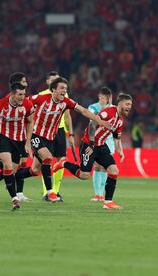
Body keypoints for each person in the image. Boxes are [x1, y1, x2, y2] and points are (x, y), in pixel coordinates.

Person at [15, 77, 109, 202]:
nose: (64, 90)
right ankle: (50, 193)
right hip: (36, 135)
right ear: (53, 89)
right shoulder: (41, 98)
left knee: (35, 170)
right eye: (62, 88)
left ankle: (12, 176)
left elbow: (84, 111)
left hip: (50, 138)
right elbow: (22, 101)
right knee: (48, 158)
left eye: (66, 88)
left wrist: (99, 120)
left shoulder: (66, 102)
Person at [53, 93, 132, 209]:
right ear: (120, 104)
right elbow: (92, 124)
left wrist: (120, 150)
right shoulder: (108, 112)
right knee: (84, 175)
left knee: (114, 171)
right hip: (88, 144)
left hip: (101, 146)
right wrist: (90, 143)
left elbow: (116, 136)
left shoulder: (120, 120)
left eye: (131, 104)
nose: (130, 107)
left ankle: (108, 202)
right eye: (127, 104)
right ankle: (64, 163)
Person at [0, 72, 32, 201]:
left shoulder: (27, 104)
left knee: (14, 168)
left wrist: (28, 142)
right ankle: (15, 196)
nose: (22, 96)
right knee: (9, 166)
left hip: (20, 138)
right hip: (4, 136)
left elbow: (30, 120)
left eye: (24, 94)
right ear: (14, 91)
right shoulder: (2, 103)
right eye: (24, 82)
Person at [38, 71, 74, 202]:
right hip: (45, 132)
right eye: (53, 80)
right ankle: (46, 192)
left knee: (61, 160)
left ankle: (56, 191)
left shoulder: (65, 95)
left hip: (59, 131)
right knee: (46, 161)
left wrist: (70, 133)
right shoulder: (41, 96)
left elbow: (67, 115)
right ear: (48, 82)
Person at [87, 87, 114, 202]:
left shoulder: (112, 108)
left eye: (107, 98)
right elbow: (93, 120)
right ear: (99, 97)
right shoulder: (92, 107)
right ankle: (97, 193)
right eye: (103, 98)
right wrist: (104, 110)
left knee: (105, 167)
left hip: (108, 140)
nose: (105, 100)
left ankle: (101, 194)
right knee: (97, 166)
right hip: (96, 139)